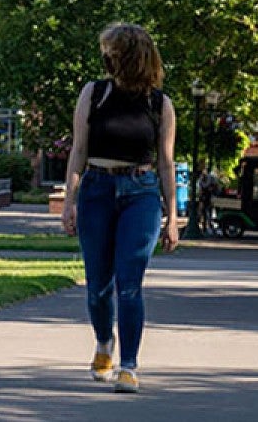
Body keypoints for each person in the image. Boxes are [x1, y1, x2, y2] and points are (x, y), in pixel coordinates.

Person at [61, 23, 178, 393]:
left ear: (130, 56)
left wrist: (172, 216)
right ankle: (103, 343)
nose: (106, 57)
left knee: (130, 284)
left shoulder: (159, 104)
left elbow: (166, 163)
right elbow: (78, 151)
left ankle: (129, 365)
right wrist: (69, 201)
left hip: (141, 193)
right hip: (97, 188)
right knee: (98, 285)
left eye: (112, 50)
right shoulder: (93, 94)